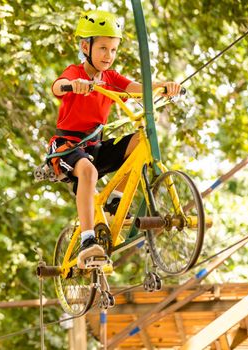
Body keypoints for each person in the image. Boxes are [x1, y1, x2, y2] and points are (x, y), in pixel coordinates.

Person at [49, 10, 182, 268]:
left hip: (95, 146)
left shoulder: (111, 78)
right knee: (87, 172)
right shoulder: (75, 72)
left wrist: (165, 86)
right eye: (102, 48)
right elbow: (57, 86)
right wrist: (73, 84)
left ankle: (115, 201)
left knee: (138, 142)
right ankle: (87, 241)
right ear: (85, 47)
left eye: (112, 50)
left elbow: (140, 89)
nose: (108, 55)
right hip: (68, 148)